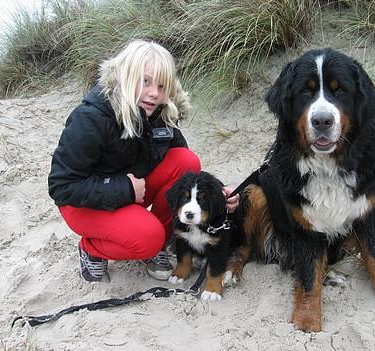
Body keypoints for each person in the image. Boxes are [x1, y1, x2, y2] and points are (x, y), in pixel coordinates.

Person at [48, 39, 239, 283]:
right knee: (147, 238)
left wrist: (219, 193)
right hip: (83, 204)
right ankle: (91, 250)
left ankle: (155, 243)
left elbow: (186, 174)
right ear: (126, 77)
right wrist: (124, 189)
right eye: (145, 81)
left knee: (186, 160)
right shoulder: (91, 118)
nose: (154, 93)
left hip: (131, 193)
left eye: (162, 85)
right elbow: (61, 187)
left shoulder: (160, 111)